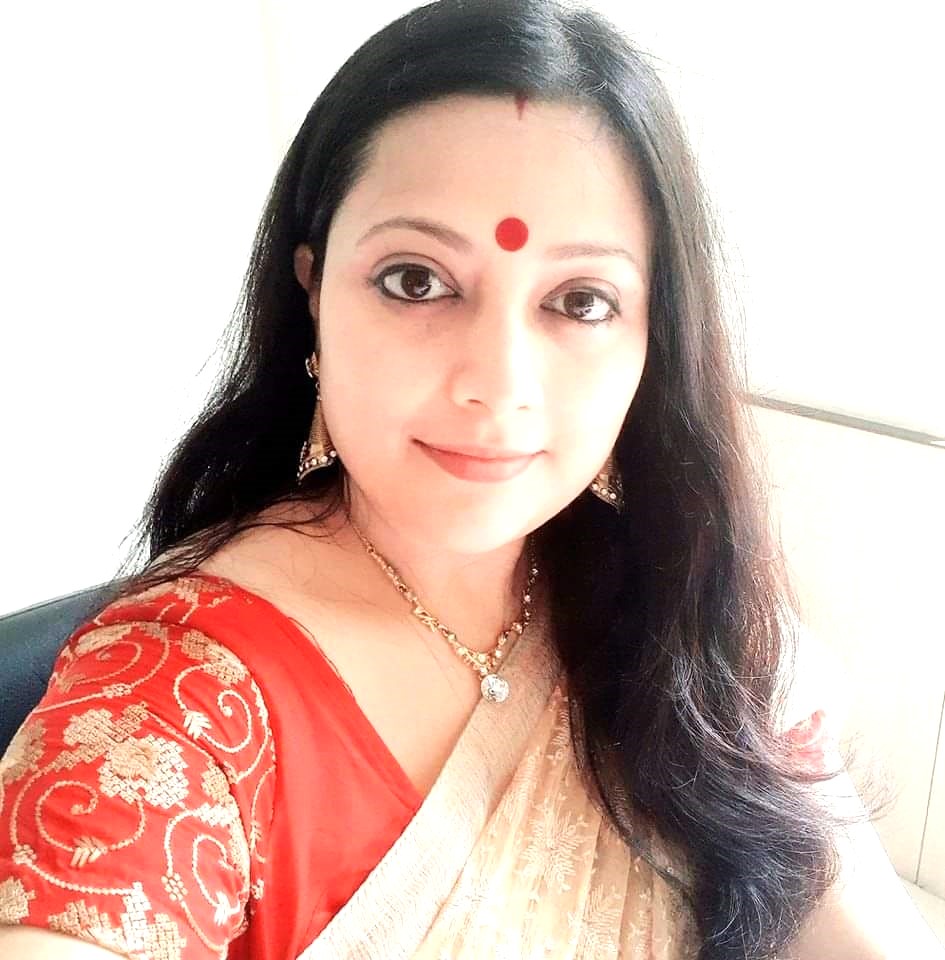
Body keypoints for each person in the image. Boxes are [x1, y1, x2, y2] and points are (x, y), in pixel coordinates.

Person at [1, 1, 942, 958]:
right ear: (312, 292)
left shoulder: (686, 606)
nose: (497, 383)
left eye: (580, 300)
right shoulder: (175, 698)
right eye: (416, 280)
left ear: (653, 338)